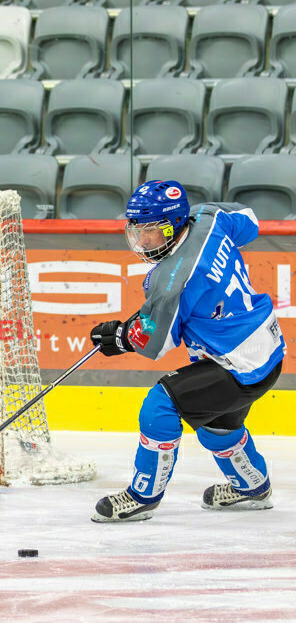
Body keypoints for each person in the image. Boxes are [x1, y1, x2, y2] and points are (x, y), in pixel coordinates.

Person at [89, 180, 285, 523]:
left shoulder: (173, 281)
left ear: (174, 225)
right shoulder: (208, 218)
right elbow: (249, 219)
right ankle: (253, 488)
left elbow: (155, 340)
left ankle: (142, 495)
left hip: (238, 363)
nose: (144, 239)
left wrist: (119, 337)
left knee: (161, 404)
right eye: (138, 229)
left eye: (153, 230)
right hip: (266, 349)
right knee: (215, 423)